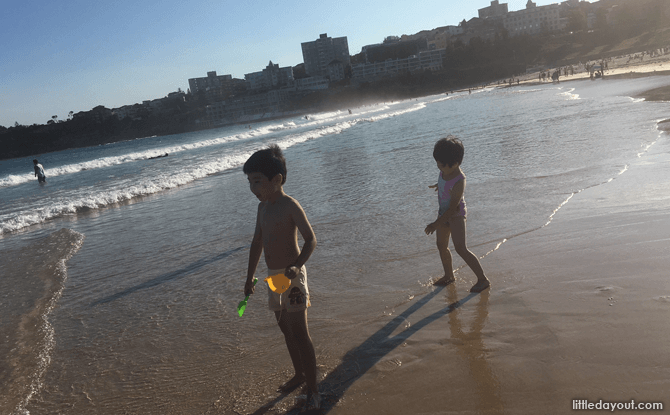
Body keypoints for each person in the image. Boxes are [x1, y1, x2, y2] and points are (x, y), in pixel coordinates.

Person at [242, 144, 320, 410]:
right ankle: (299, 374)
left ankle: (313, 387)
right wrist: (250, 277)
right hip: (274, 278)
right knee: (285, 328)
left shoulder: (290, 206)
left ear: (276, 180)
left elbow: (311, 240)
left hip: (293, 276)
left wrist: (297, 266)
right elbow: (257, 242)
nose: (253, 188)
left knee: (300, 332)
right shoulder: (262, 209)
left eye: (257, 181)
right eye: (250, 182)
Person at [425, 136, 490, 293]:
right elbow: (444, 182)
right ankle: (449, 276)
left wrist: (436, 223)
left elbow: (453, 208)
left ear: (454, 164)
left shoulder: (459, 181)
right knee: (441, 245)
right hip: (443, 213)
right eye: (437, 165)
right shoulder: (445, 171)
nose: (439, 168)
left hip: (456, 215)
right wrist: (439, 185)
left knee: (461, 248)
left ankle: (482, 279)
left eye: (441, 166)